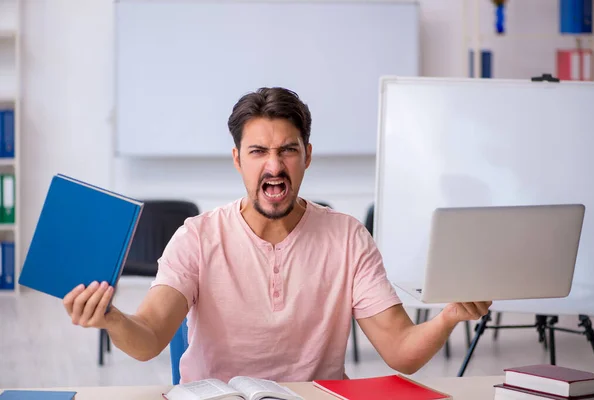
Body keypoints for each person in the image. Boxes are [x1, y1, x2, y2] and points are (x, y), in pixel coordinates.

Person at [63, 87, 492, 383]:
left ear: (307, 155)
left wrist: (450, 316)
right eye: (258, 152)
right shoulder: (197, 237)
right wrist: (113, 319)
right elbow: (151, 337)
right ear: (237, 160)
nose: (274, 165)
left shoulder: (348, 237)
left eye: (288, 149)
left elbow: (400, 349)